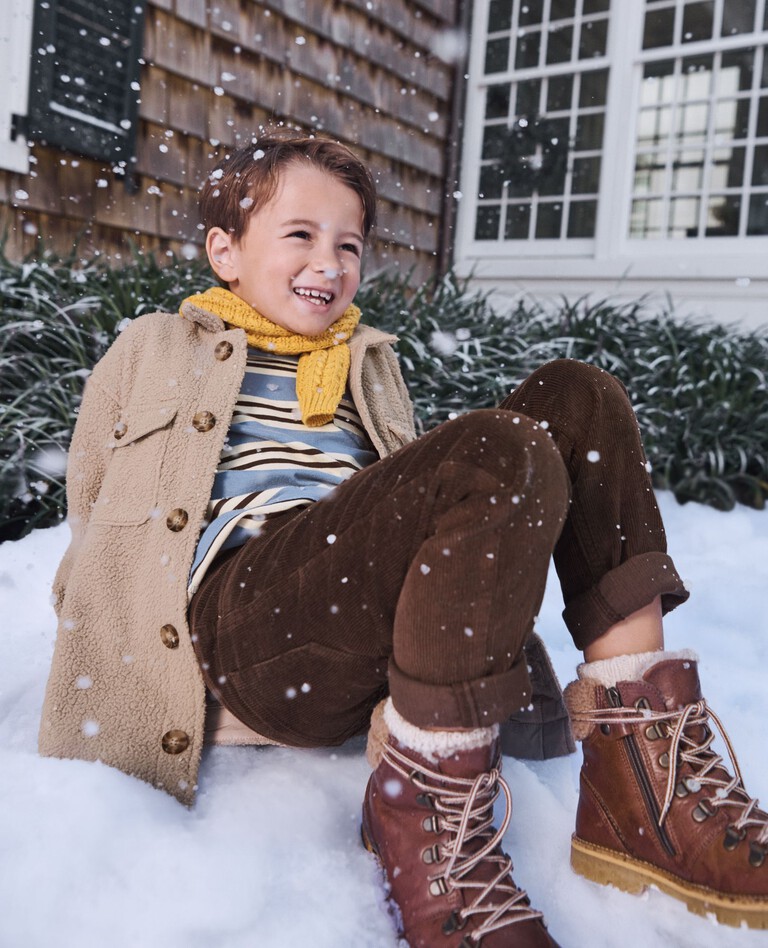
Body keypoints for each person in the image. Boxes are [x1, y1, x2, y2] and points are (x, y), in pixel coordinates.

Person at [40, 130, 768, 946]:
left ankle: (641, 779)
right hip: (244, 623)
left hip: (354, 622)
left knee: (578, 397)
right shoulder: (152, 346)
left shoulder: (366, 363)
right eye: (301, 236)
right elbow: (95, 509)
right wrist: (117, 667)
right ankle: (421, 818)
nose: (330, 262)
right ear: (225, 250)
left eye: (349, 244)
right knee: (496, 447)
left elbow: (414, 519)